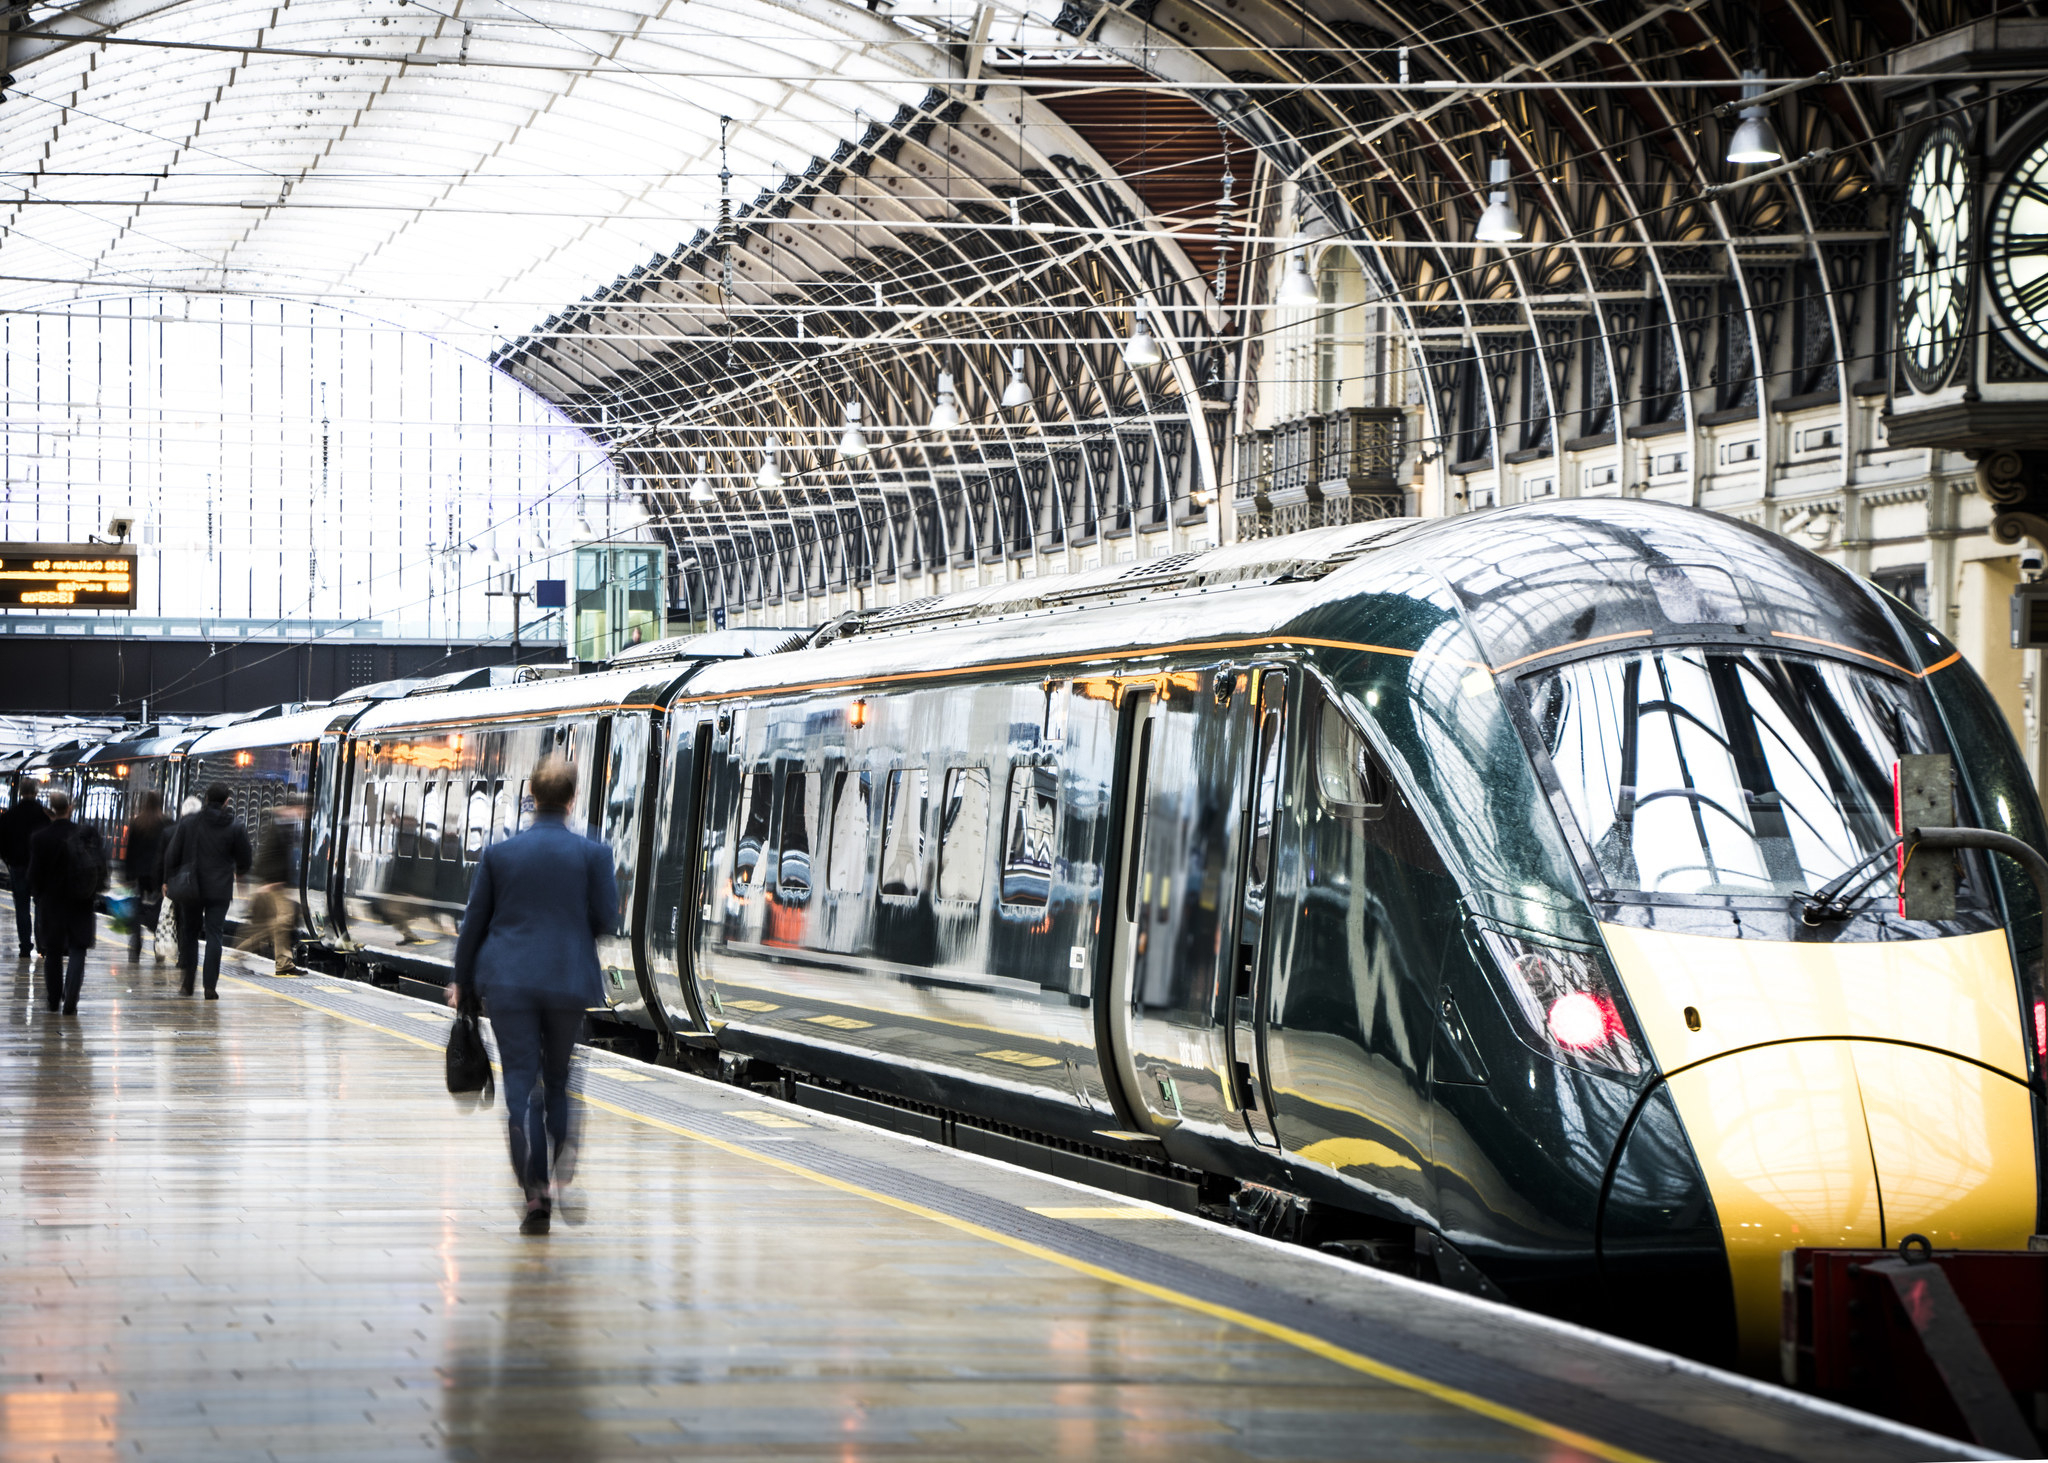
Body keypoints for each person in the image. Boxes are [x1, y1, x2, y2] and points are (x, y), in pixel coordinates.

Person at [448, 756, 617, 1236]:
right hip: (567, 980)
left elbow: (474, 924)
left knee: (521, 1083)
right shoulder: (593, 854)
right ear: (570, 799)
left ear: (531, 797)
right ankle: (563, 1163)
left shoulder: (502, 855)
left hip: (508, 982)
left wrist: (462, 982)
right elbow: (606, 920)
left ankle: (534, 1197)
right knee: (559, 1080)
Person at [162, 783, 252, 999]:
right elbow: (245, 860)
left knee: (190, 934)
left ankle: (187, 984)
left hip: (191, 887)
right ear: (226, 802)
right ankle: (210, 986)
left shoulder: (189, 823)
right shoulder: (235, 826)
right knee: (214, 936)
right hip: (219, 890)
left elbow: (172, 853)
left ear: (206, 798)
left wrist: (167, 879)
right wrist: (239, 873)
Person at [26, 790, 105, 1013]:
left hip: (52, 903)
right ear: (69, 808)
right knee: (78, 948)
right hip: (81, 901)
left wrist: (39, 895)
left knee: (52, 951)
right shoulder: (86, 834)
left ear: (49, 809)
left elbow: (34, 876)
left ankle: (53, 999)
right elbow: (98, 868)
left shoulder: (40, 838)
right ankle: (71, 996)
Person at [239, 800, 305, 974]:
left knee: (277, 923)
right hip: (272, 885)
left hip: (277, 884)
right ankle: (246, 950)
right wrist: (268, 882)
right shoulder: (277, 826)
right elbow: (265, 854)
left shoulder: (284, 826)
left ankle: (282, 963)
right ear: (292, 808)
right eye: (301, 809)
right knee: (283, 921)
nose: (303, 813)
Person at [0, 781, 50, 959]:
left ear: (21, 792)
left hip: (18, 866)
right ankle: (42, 945)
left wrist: (8, 860)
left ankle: (25, 946)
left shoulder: (10, 814)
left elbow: (2, 841)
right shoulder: (45, 815)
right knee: (40, 905)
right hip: (40, 867)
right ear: (36, 792)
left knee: (21, 906)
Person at [121, 791, 169, 964]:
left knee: (136, 909)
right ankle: (159, 949)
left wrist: (127, 875)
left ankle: (135, 947)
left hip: (139, 874)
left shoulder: (137, 822)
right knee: (160, 912)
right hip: (159, 874)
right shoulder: (166, 822)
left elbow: (130, 850)